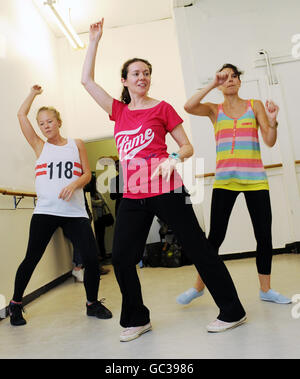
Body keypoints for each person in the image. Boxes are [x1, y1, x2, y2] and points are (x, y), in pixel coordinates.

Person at [81, 19, 246, 340]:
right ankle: (137, 319)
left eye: (146, 73)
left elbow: (187, 147)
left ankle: (232, 311)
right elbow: (86, 80)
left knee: (199, 249)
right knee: (123, 258)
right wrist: (93, 40)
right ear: (125, 81)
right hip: (132, 195)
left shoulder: (163, 109)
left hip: (168, 189)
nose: (142, 77)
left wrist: (171, 160)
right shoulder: (118, 111)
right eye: (136, 73)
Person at [177, 63, 291, 306]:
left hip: (255, 180)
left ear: (239, 81)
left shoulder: (254, 106)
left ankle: (266, 289)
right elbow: (188, 106)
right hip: (225, 180)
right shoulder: (214, 110)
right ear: (220, 83)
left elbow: (269, 141)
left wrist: (273, 121)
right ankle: (198, 287)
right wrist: (212, 83)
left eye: (234, 76)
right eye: (224, 77)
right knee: (215, 237)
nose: (230, 80)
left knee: (264, 235)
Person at [8, 85, 112, 326]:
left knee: (91, 258)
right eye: (42, 123)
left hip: (74, 212)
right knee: (31, 258)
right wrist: (32, 94)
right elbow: (21, 116)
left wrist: (75, 184)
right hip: (45, 211)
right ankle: (15, 305)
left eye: (49, 122)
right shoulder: (39, 146)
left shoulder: (76, 144)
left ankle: (92, 303)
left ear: (58, 122)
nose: (46, 127)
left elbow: (87, 174)